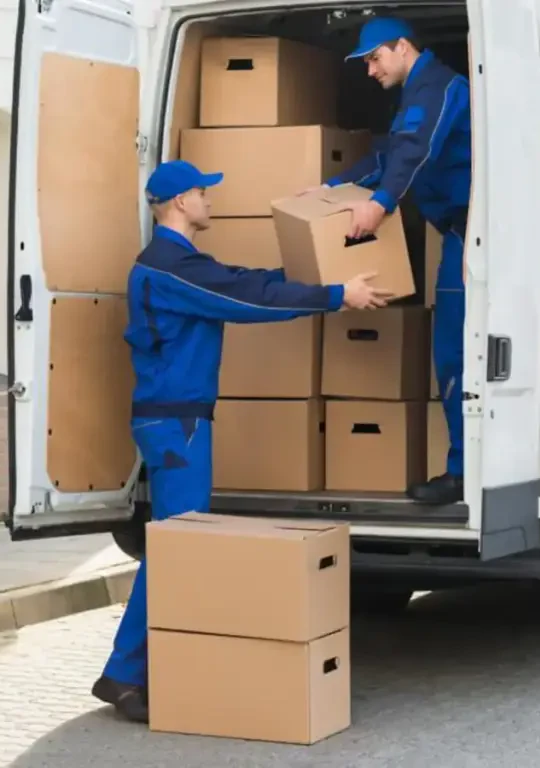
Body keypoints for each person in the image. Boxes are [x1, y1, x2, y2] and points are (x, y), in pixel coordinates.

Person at [90, 159, 393, 723]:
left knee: (175, 547)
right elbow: (246, 301)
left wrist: (312, 269)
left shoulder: (182, 264)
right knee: (176, 549)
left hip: (178, 419)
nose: (210, 200)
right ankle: (124, 673)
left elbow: (244, 281)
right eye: (203, 192)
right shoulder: (167, 268)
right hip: (176, 423)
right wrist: (335, 295)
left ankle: (133, 669)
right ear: (181, 202)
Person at [302, 16, 472, 506]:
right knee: (453, 351)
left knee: (457, 351)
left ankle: (465, 472)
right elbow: (387, 157)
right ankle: (466, 467)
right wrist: (331, 188)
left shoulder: (438, 87)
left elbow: (415, 152)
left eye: (375, 58)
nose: (371, 70)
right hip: (458, 231)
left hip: (476, 234)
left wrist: (379, 204)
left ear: (402, 47)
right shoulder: (415, 94)